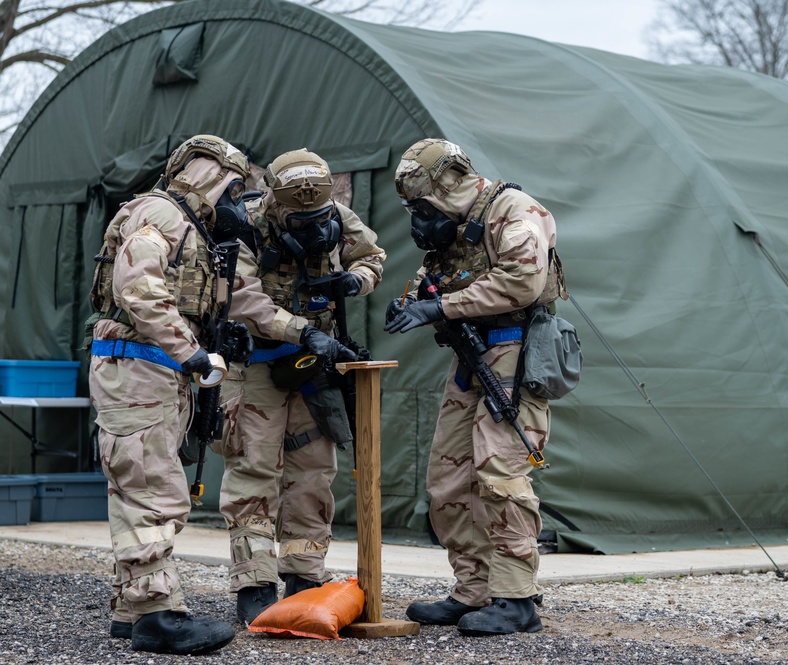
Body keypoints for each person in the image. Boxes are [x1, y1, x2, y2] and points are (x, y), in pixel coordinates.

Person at [87, 135, 349, 654]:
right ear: (210, 177)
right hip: (145, 367)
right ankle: (158, 616)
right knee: (152, 490)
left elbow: (232, 298)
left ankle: (132, 607)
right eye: (232, 191)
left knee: (137, 485)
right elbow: (137, 287)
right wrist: (192, 353)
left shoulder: (190, 227)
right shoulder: (160, 216)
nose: (236, 204)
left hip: (153, 369)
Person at [384, 138, 565, 636]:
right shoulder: (454, 227)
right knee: (449, 478)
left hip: (515, 351)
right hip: (470, 355)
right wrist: (412, 302)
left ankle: (516, 598)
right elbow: (432, 280)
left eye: (420, 204)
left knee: (500, 473)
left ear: (445, 183)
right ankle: (474, 589)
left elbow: (522, 282)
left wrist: (439, 308)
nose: (419, 217)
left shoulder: (513, 210)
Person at [214, 148, 385, 625]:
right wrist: (299, 329)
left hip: (315, 368)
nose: (312, 224)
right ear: (273, 201)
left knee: (313, 472)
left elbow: (373, 255)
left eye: (318, 214)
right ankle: (255, 582)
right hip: (257, 367)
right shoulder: (240, 224)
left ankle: (304, 576)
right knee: (253, 472)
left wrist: (356, 280)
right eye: (298, 217)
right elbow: (240, 297)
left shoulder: (337, 215)